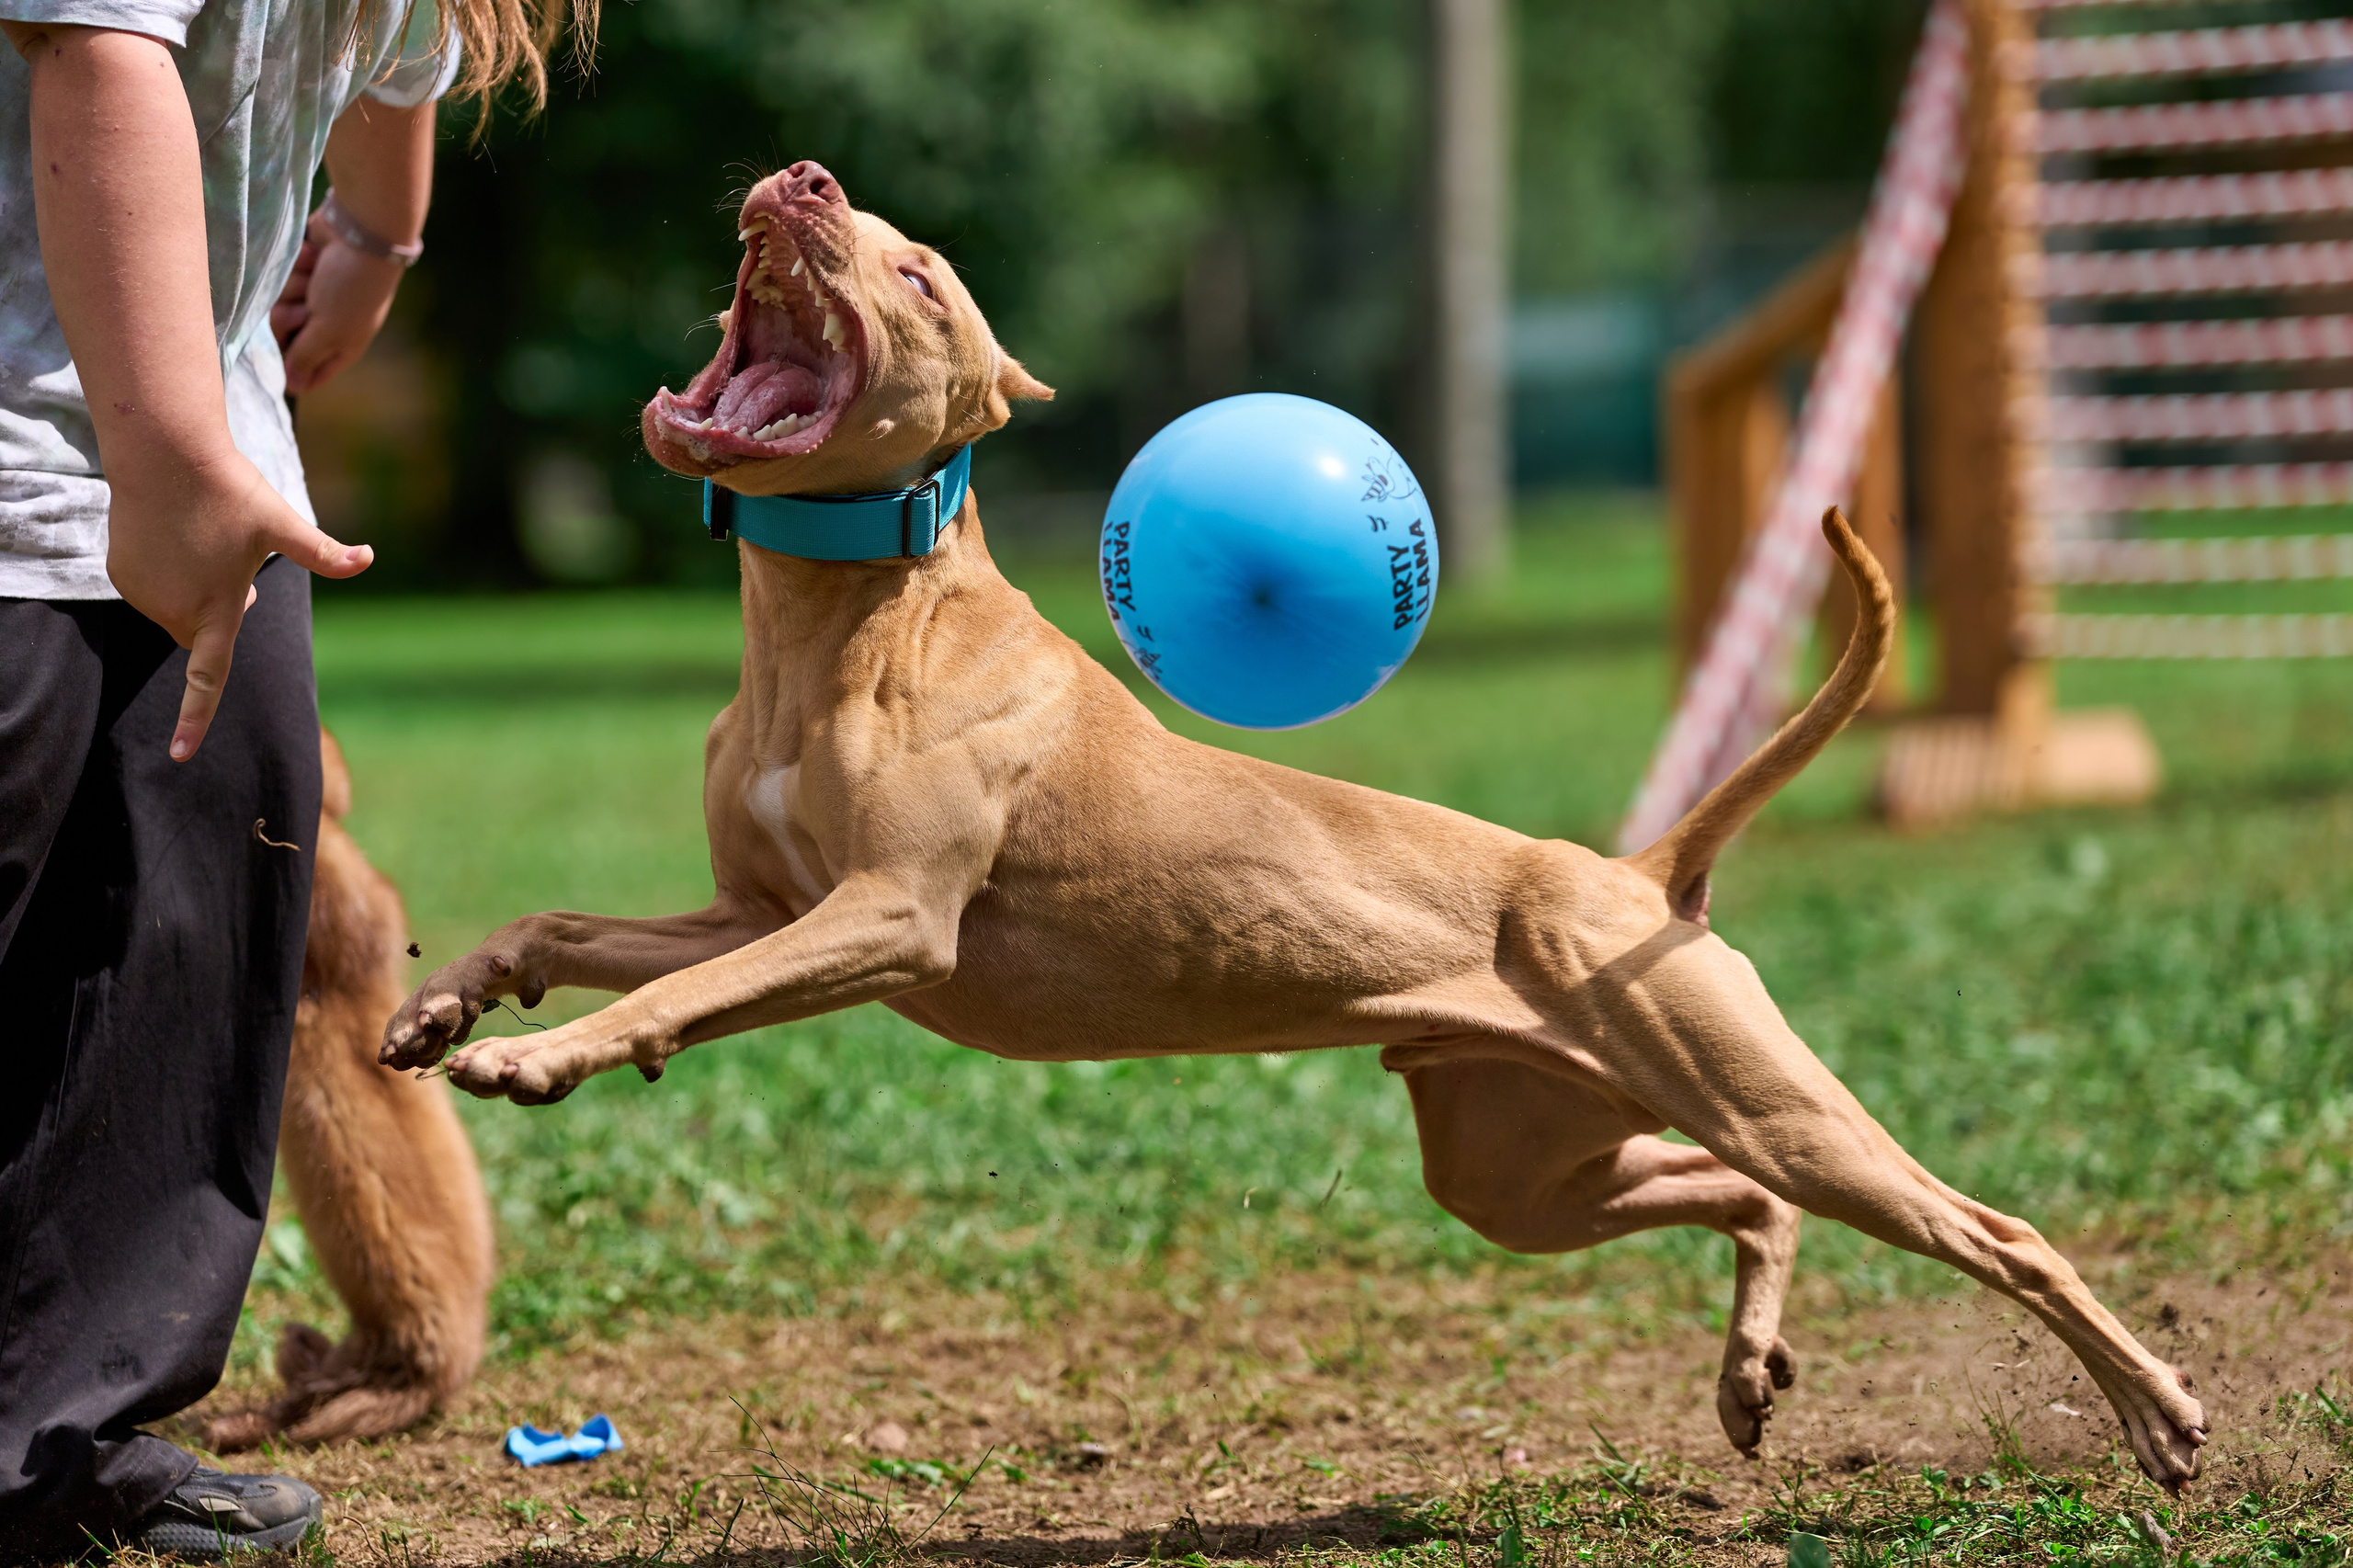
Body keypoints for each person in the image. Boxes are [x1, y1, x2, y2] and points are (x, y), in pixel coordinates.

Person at [0, 0, 590, 1556]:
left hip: (212, 456)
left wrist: (376, 244)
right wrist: (164, 454)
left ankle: (62, 1432)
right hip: (52, 459)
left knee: (186, 968)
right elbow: (96, 45)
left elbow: (396, 47)